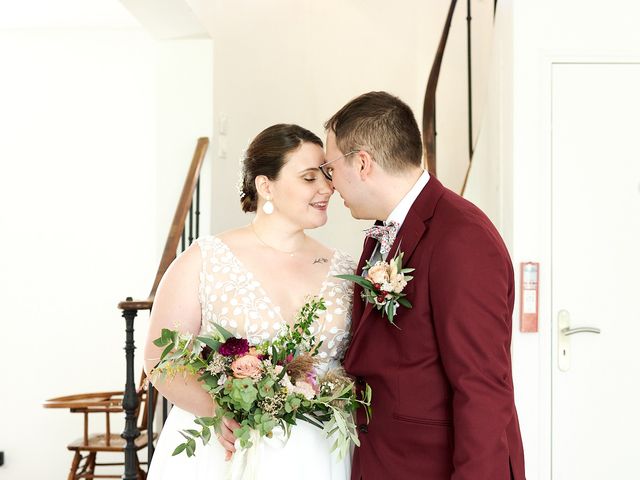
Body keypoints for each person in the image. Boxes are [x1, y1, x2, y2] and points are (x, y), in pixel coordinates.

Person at [323, 91, 526, 480]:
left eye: (331, 168)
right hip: (384, 461)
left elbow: (482, 385)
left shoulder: (462, 238)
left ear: (362, 163)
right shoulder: (382, 234)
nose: (331, 185)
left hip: (433, 467)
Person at [143, 124, 356, 480]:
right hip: (224, 451)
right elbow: (159, 359)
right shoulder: (205, 260)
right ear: (265, 185)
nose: (327, 188)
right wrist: (217, 410)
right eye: (308, 178)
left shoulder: (345, 268)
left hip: (320, 454)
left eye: (326, 175)